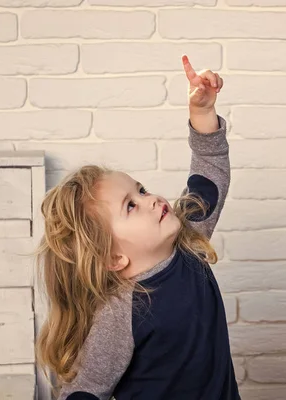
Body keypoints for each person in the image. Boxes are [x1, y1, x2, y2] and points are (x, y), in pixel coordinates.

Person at [35, 55, 240, 400]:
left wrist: (202, 114)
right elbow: (84, 391)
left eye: (141, 190)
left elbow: (209, 173)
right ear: (113, 258)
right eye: (131, 205)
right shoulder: (118, 314)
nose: (151, 199)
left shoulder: (189, 245)